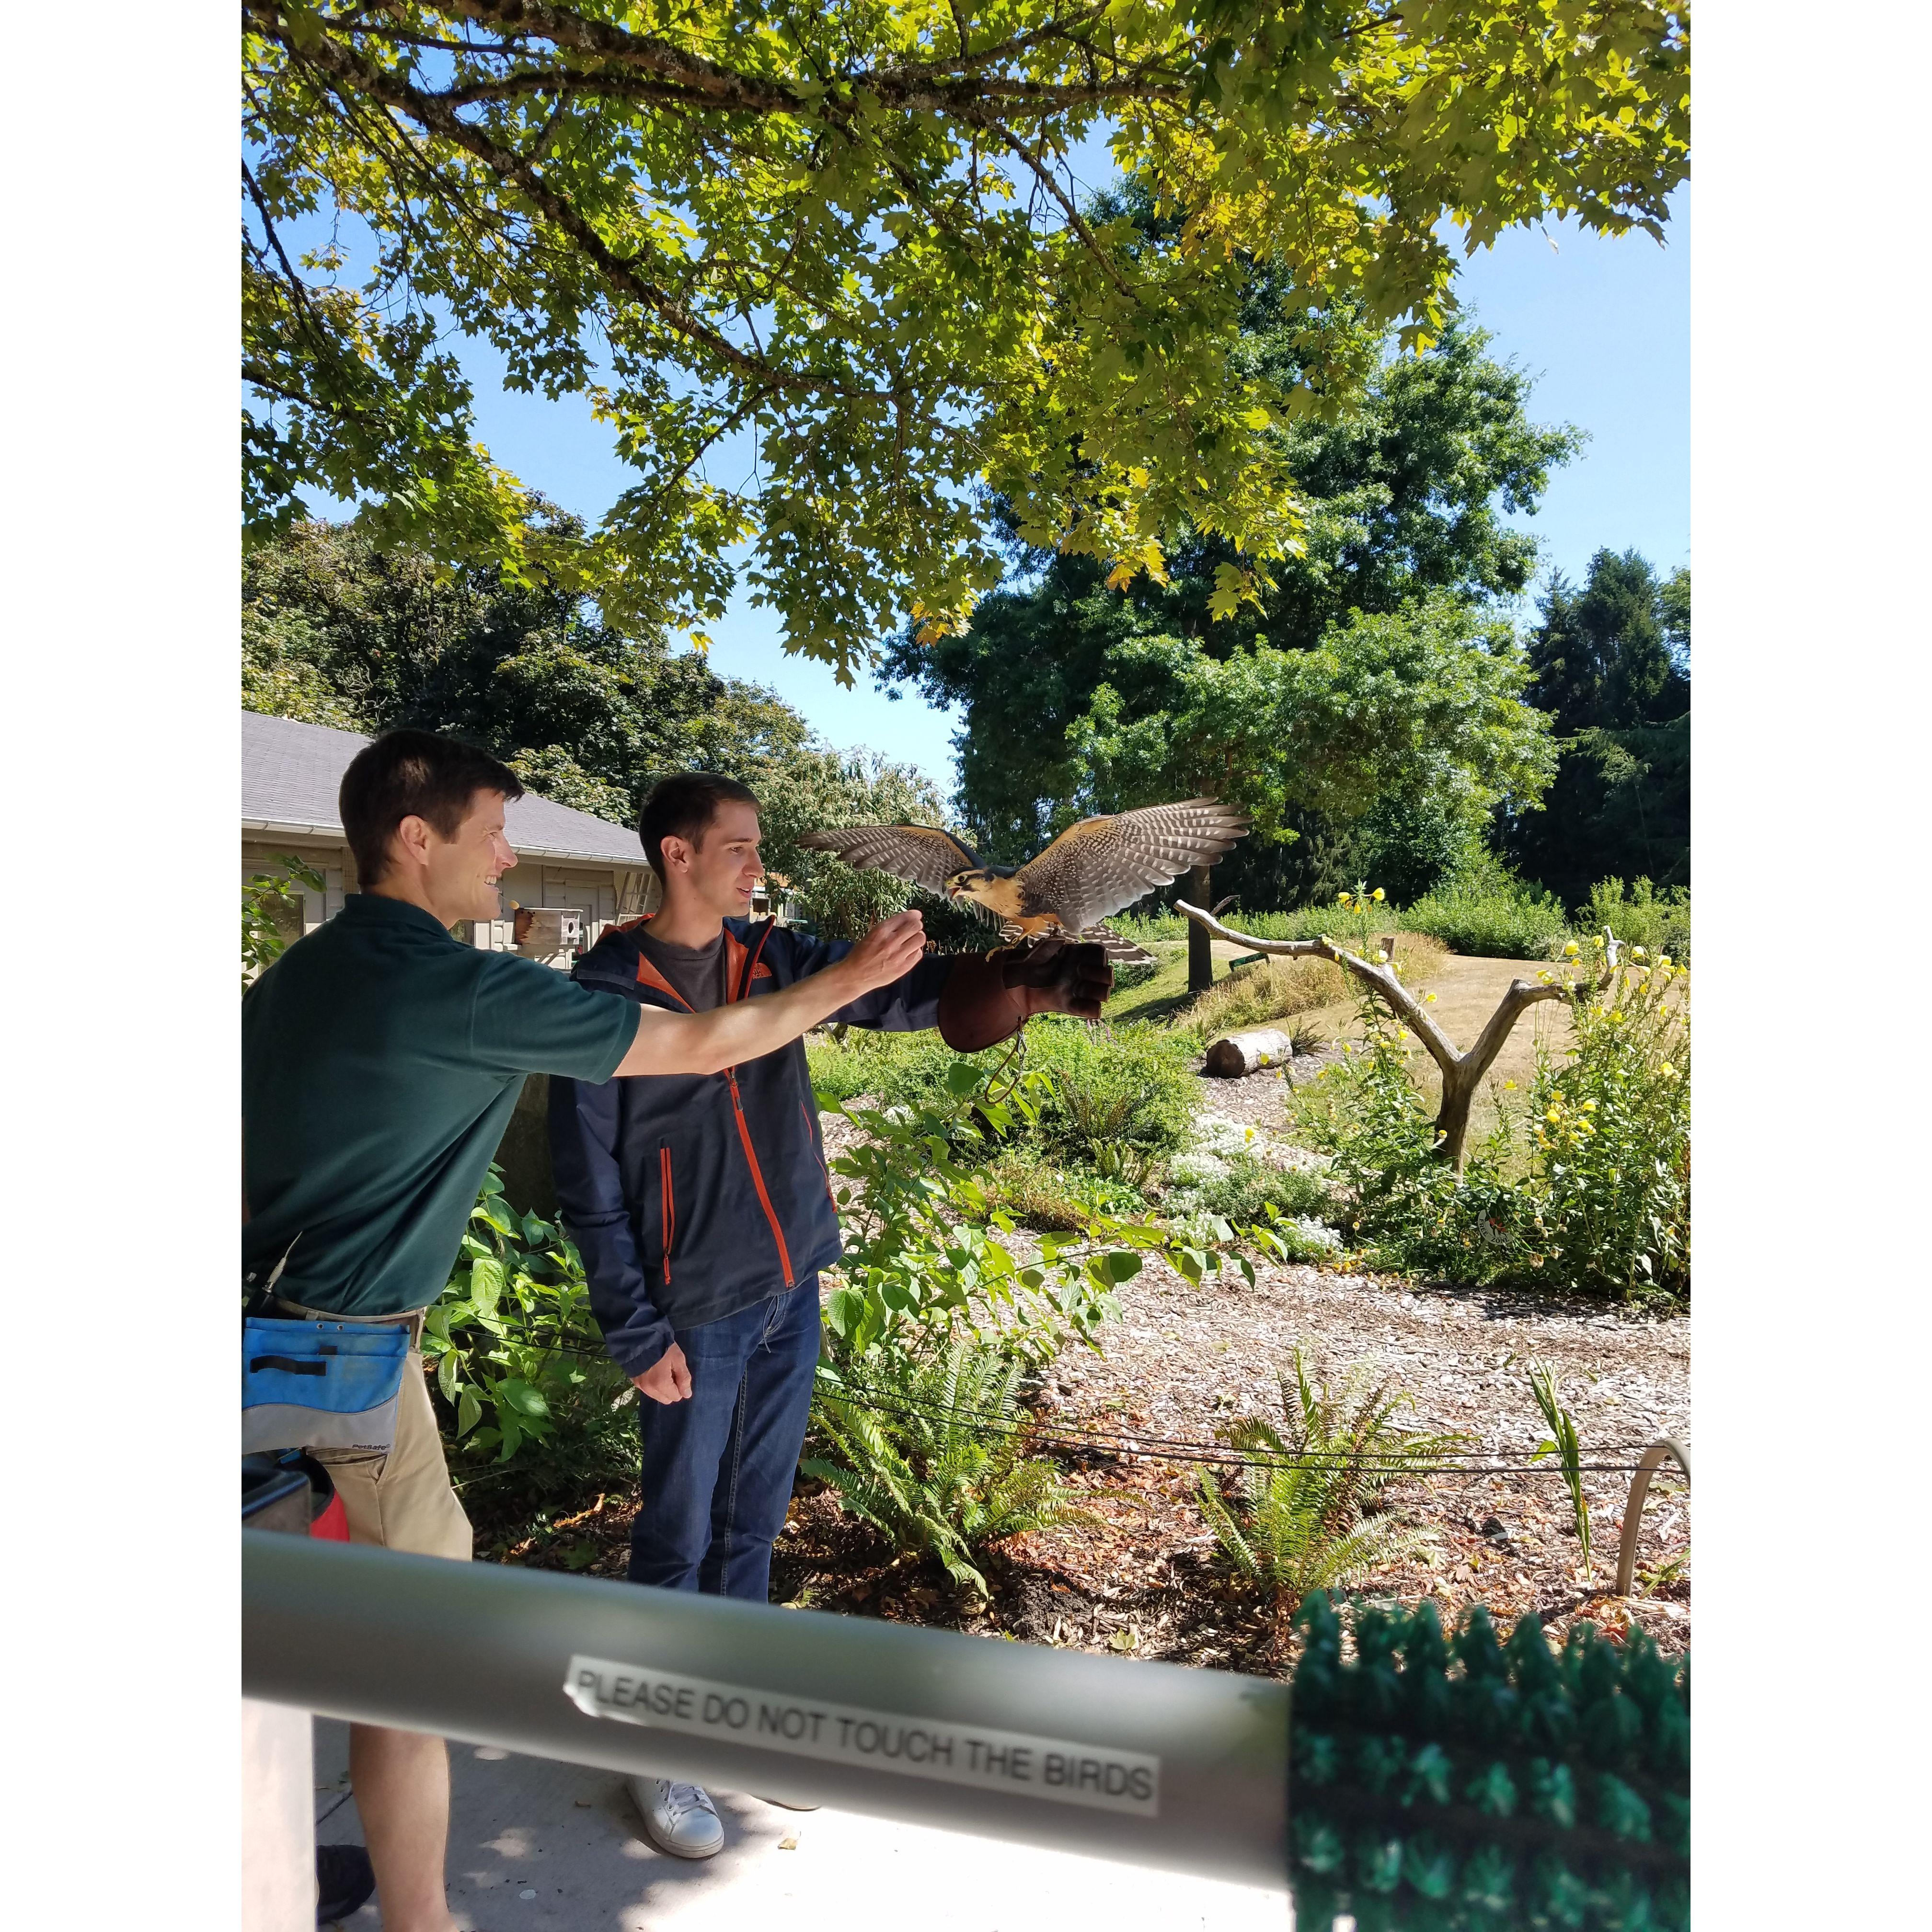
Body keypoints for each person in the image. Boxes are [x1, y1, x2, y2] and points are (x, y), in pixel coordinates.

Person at [242, 733, 928, 1932]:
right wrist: (845, 980)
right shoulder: (470, 986)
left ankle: (278, 1873)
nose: (513, 854)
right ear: (417, 839)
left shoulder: (302, 976)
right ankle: (418, 1915)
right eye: (494, 831)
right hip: (339, 1359)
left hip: (266, 1335)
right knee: (403, 1650)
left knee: (278, 1629)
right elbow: (695, 1058)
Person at [548, 772, 1111, 1860]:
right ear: (677, 854)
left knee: (752, 1526)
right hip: (687, 1309)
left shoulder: (776, 959)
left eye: (759, 848)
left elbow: (919, 1001)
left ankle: (741, 1724)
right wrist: (634, 1328)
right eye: (740, 848)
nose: (758, 867)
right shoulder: (607, 989)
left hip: (787, 1289)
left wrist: (1018, 982)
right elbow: (588, 1179)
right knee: (676, 1533)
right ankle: (658, 1745)